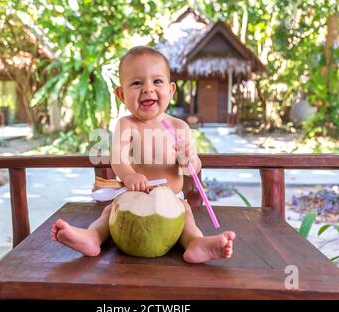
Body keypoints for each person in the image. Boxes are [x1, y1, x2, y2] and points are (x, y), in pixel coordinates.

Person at [51, 46, 236, 263]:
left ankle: (196, 243)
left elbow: (192, 169)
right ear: (121, 94)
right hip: (132, 196)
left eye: (157, 81)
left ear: (171, 90)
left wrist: (190, 160)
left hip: (171, 200)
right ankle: (92, 237)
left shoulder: (179, 127)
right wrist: (129, 176)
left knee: (186, 214)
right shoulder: (126, 125)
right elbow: (117, 158)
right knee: (109, 213)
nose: (148, 89)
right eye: (137, 83)